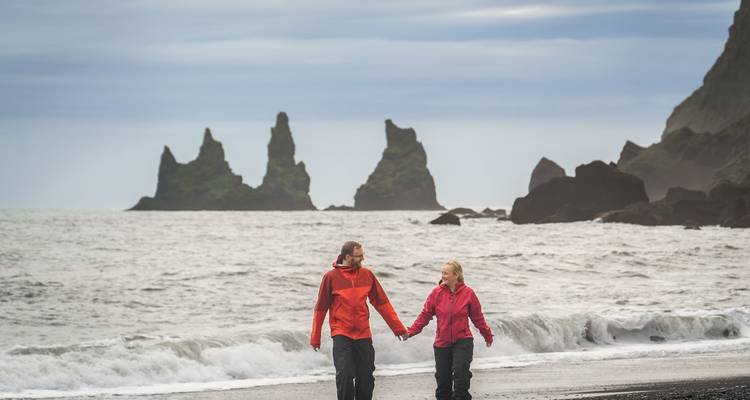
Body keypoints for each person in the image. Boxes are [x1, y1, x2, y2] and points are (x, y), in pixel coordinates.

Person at [310, 241, 408, 400]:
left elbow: (382, 303)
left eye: (363, 255)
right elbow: (320, 309)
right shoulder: (330, 277)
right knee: (345, 375)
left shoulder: (367, 275)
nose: (362, 259)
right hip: (341, 333)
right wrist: (315, 336)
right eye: (359, 256)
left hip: (363, 333)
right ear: (347, 257)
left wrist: (398, 328)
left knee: (366, 377)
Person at [406, 260, 493, 400]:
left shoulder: (468, 293)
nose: (443, 276)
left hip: (463, 341)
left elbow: (478, 317)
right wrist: (410, 331)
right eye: (442, 273)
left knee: (461, 376)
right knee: (443, 383)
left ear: (456, 275)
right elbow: (425, 315)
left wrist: (487, 335)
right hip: (442, 343)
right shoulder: (436, 293)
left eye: (446, 273)